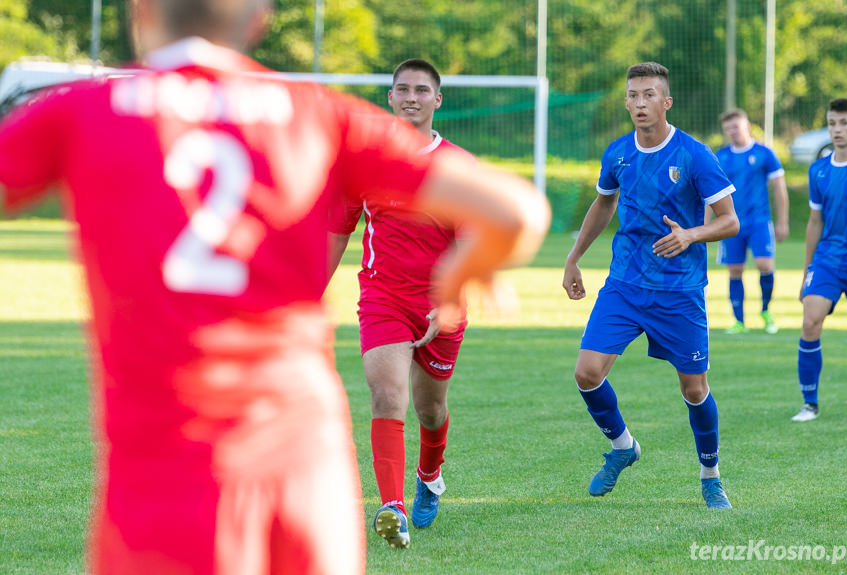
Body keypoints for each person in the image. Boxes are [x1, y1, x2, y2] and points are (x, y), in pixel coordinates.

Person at [0, 1, 550, 573]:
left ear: (140, 14)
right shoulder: (319, 114)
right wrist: (458, 279)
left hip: (164, 469)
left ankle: (424, 480)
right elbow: (517, 213)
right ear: (256, 21)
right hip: (306, 466)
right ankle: (396, 496)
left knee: (426, 405)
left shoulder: (87, 110)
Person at [562, 62, 739, 509]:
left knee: (694, 389)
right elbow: (603, 205)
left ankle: (710, 477)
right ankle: (623, 448)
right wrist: (574, 257)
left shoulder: (695, 155)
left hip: (679, 291)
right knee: (586, 372)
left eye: (648, 95)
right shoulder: (618, 153)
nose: (639, 103)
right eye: (632, 95)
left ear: (666, 102)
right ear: (625, 102)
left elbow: (730, 221)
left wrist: (690, 235)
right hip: (624, 286)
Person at [328, 58, 471, 549]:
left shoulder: (456, 166)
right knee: (388, 395)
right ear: (389, 98)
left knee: (431, 409)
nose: (411, 97)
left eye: (422, 90)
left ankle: (429, 476)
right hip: (382, 297)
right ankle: (392, 507)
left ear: (437, 100)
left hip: (441, 304)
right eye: (402, 89)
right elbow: (336, 231)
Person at [792, 97, 847, 422]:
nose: (837, 129)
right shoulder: (818, 169)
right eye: (832, 123)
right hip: (828, 261)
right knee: (810, 320)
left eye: (844, 123)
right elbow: (814, 222)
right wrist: (807, 268)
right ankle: (810, 403)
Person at [713, 108, 789, 335]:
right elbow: (712, 194)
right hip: (731, 223)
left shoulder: (765, 153)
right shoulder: (721, 156)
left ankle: (766, 311)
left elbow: (779, 189)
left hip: (759, 221)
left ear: (747, 126)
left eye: (735, 126)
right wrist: (706, 225)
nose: (732, 132)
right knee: (734, 269)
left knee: (765, 265)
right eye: (728, 128)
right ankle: (739, 321)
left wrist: (782, 221)